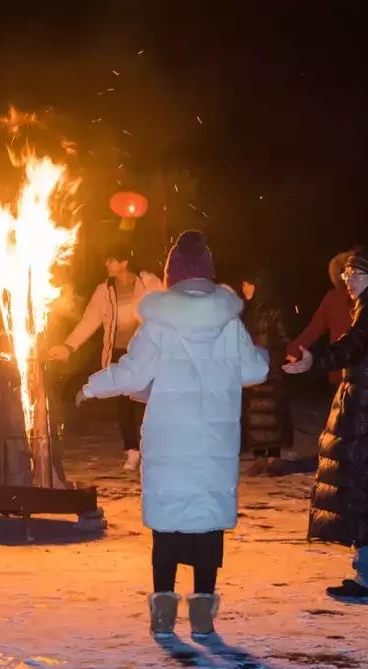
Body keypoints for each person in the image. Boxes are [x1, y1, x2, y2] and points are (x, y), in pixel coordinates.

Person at [75, 230, 269, 637]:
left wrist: (92, 385)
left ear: (173, 275)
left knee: (167, 522)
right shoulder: (229, 322)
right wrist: (262, 356)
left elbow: (133, 372)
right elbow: (254, 371)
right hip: (214, 441)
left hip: (169, 437)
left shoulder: (160, 323)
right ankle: (202, 612)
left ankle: (163, 608)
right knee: (207, 521)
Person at [282, 246, 368, 603]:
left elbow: (352, 346)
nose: (348, 280)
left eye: (354, 273)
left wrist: (316, 360)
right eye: (345, 274)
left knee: (367, 490)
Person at [49, 241, 163, 471]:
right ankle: (132, 451)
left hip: (147, 353)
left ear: (124, 262)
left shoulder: (149, 283)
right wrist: (68, 346)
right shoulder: (104, 290)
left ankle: (155, 449)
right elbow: (89, 321)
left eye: (111, 259)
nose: (107, 264)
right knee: (125, 404)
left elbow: (167, 310)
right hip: (120, 353)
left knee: (148, 401)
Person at [240, 269, 294, 475]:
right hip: (253, 369)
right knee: (255, 416)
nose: (243, 289)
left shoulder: (273, 310)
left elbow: (283, 337)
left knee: (271, 414)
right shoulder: (247, 311)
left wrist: (283, 360)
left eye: (247, 284)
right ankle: (260, 457)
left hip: (271, 368)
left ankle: (273, 457)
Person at [285, 251, 354, 386]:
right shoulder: (336, 298)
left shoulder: (337, 298)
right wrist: (294, 350)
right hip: (351, 371)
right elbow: (315, 328)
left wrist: (293, 351)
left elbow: (314, 328)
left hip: (343, 371)